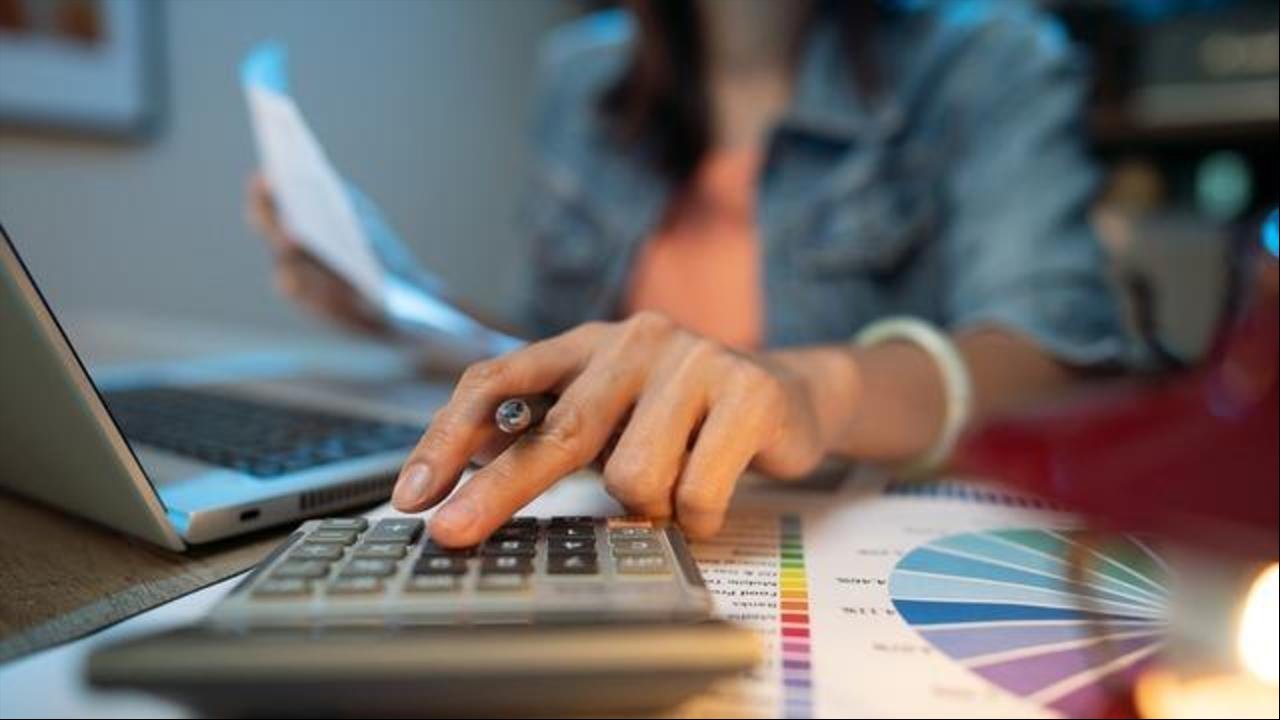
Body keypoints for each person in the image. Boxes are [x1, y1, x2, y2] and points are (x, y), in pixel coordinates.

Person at [246, 0, 1128, 547]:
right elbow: (553, 353)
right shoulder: (580, 75)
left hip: (845, 542)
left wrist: (813, 388)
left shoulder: (989, 56)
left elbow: (1054, 359)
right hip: (617, 532)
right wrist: (399, 305)